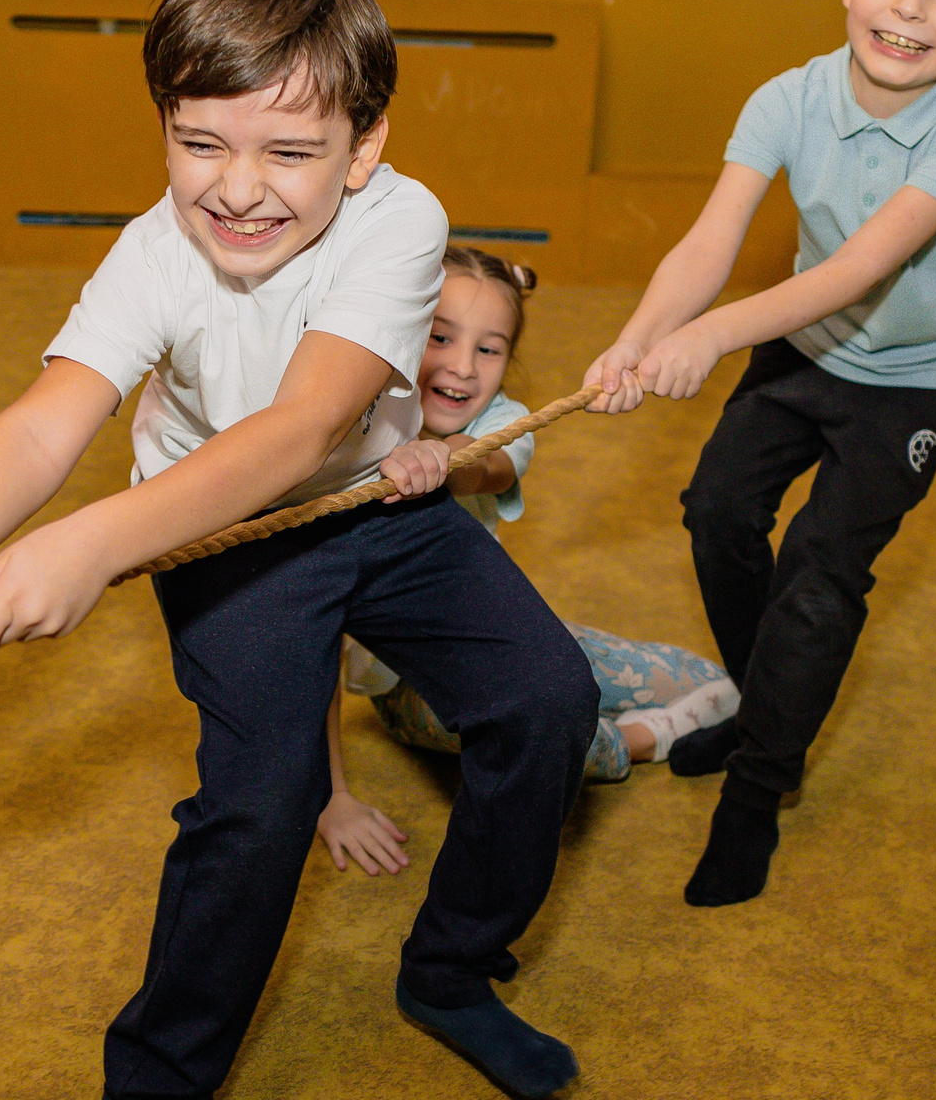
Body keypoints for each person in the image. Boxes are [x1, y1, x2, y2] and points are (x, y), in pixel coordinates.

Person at [0, 0, 598, 1100]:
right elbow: (42, 426)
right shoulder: (154, 254)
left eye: (287, 150)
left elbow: (307, 423)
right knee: (259, 808)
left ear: (366, 143)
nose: (237, 188)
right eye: (199, 141)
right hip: (224, 541)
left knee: (550, 699)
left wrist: (93, 543)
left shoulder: (403, 221)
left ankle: (450, 969)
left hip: (374, 502)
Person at [585, 0, 936, 908]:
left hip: (913, 379)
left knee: (821, 574)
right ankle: (761, 700)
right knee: (717, 511)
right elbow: (708, 241)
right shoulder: (786, 97)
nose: (910, 9)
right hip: (807, 347)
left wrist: (716, 335)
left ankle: (757, 790)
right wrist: (636, 337)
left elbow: (857, 269)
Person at [316, 246, 738, 876]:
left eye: (489, 349)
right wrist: (332, 798)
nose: (462, 367)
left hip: (499, 639)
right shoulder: (351, 426)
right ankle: (636, 742)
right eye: (439, 337)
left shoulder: (506, 422)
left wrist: (445, 455)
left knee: (717, 686)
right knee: (541, 736)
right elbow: (310, 646)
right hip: (411, 687)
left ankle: (606, 705)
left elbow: (484, 462)